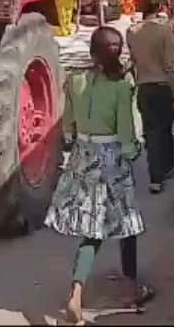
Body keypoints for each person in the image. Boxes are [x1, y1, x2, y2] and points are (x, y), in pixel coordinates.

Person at [44, 26, 153, 325]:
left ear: (93, 52)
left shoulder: (76, 79)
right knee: (126, 225)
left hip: (84, 156)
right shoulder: (121, 85)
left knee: (91, 231)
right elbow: (127, 132)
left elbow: (68, 125)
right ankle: (131, 289)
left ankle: (76, 294)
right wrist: (134, 153)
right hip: (112, 158)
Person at [127, 0, 174, 194]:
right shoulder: (164, 30)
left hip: (144, 86)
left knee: (151, 132)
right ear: (160, 6)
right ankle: (162, 171)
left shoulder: (133, 32)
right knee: (165, 129)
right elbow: (170, 64)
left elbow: (133, 60)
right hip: (163, 86)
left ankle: (159, 173)